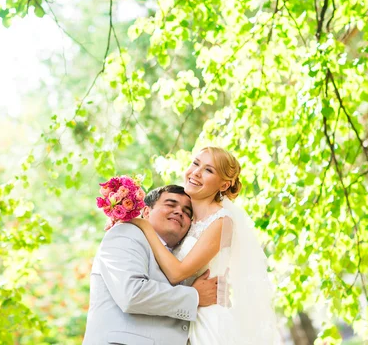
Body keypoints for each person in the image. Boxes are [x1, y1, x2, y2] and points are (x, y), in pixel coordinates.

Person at [129, 146, 279, 344]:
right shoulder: (185, 219)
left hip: (207, 322)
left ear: (224, 186)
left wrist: (144, 227)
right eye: (195, 163)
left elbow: (177, 273)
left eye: (209, 170)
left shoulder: (221, 221)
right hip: (179, 319)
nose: (196, 172)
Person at [83, 185, 218, 345]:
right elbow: (132, 294)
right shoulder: (125, 233)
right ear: (146, 212)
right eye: (170, 204)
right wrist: (194, 296)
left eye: (187, 212)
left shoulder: (179, 259)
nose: (179, 212)